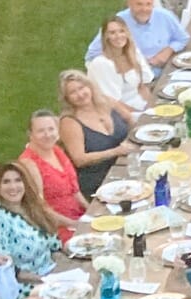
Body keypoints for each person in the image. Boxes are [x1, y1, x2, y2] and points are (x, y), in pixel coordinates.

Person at [0, 159, 66, 277]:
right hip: (24, 284)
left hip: (50, 271)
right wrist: (44, 281)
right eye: (6, 182)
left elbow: (54, 246)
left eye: (18, 180)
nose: (13, 187)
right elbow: (5, 268)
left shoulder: (32, 207)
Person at [56, 68, 135, 201]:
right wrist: (115, 151)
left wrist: (135, 140)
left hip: (126, 166)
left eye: (82, 88)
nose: (80, 94)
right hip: (99, 180)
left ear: (90, 86)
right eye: (73, 92)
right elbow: (79, 159)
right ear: (67, 98)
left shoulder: (106, 101)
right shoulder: (70, 122)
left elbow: (130, 119)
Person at [87, 0, 189, 69]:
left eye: (148, 4)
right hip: (132, 75)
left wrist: (168, 51)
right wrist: (124, 63)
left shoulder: (164, 16)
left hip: (165, 68)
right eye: (139, 4)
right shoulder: (117, 22)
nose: (144, 9)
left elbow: (183, 38)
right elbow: (92, 54)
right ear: (129, 4)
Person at [18, 109, 88, 222]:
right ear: (30, 135)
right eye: (40, 131)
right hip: (56, 226)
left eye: (51, 129)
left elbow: (75, 192)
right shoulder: (29, 163)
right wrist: (74, 225)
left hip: (78, 216)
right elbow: (39, 207)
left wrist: (92, 212)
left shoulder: (57, 151)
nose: (47, 135)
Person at [88, 15, 155, 115]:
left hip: (141, 105)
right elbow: (112, 102)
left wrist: (152, 106)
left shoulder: (133, 53)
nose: (118, 36)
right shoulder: (101, 64)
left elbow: (144, 85)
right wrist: (141, 114)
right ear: (106, 37)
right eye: (112, 33)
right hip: (120, 113)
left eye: (121, 31)